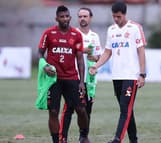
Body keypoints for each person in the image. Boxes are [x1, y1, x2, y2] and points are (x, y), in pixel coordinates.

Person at [89, 2, 146, 143]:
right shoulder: (111, 30)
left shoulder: (135, 28)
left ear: (124, 14)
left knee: (125, 109)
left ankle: (117, 139)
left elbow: (141, 51)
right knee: (126, 109)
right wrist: (96, 66)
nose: (116, 19)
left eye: (118, 16)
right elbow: (108, 52)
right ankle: (134, 140)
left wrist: (142, 74)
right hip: (116, 76)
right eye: (114, 16)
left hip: (131, 76)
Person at [38, 5, 91, 143]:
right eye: (62, 17)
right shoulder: (48, 33)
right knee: (54, 112)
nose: (65, 19)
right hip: (53, 79)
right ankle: (56, 141)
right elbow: (40, 53)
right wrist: (44, 66)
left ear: (70, 17)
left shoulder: (76, 35)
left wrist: (81, 82)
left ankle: (84, 135)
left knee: (81, 110)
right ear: (57, 18)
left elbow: (80, 59)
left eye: (67, 16)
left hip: (72, 78)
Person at [59, 7, 102, 142]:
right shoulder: (72, 33)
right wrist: (85, 51)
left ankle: (83, 136)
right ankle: (63, 138)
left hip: (89, 79)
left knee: (86, 110)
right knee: (69, 108)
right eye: (80, 16)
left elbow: (98, 56)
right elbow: (68, 51)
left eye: (85, 16)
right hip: (73, 77)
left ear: (90, 18)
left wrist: (95, 58)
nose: (82, 18)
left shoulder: (95, 36)